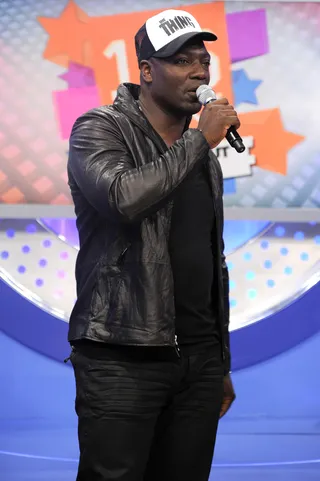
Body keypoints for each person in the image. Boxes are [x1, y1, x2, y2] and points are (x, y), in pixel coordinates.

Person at [67, 8, 238, 481]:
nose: (200, 72)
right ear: (146, 71)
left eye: (204, 61)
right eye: (183, 61)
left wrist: (217, 360)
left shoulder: (202, 157)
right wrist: (199, 141)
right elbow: (123, 199)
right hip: (123, 354)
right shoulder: (100, 128)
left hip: (198, 362)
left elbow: (210, 258)